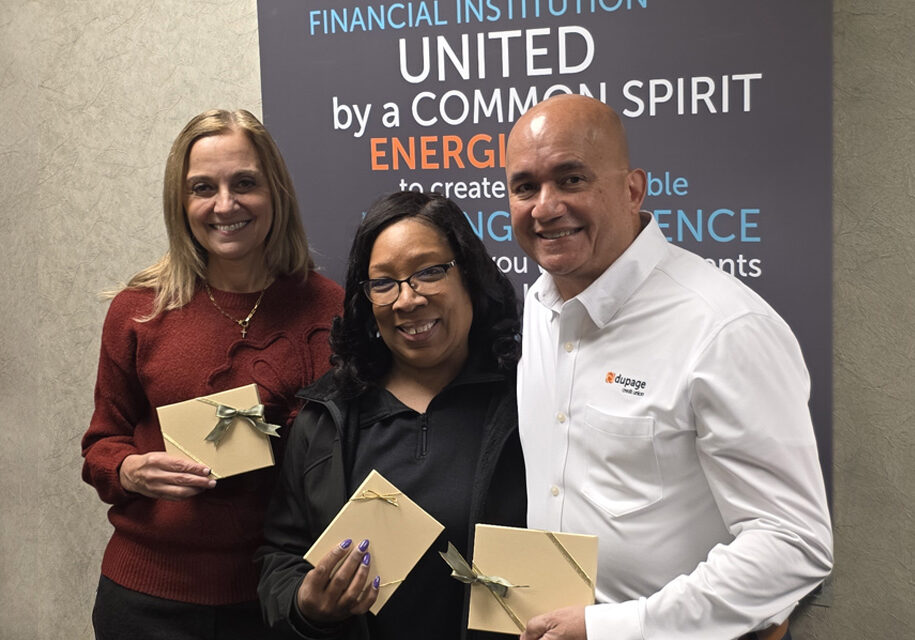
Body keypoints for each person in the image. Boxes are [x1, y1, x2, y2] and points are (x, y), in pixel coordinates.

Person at [504, 94, 833, 640]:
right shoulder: (541, 307)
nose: (545, 206)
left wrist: (614, 627)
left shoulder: (724, 326)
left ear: (632, 189)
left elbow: (793, 542)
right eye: (524, 186)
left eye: (571, 179)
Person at [81, 109, 343, 639]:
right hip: (147, 600)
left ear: (276, 193)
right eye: (204, 188)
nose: (225, 205)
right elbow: (101, 444)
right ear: (181, 204)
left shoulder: (330, 310)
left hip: (276, 599)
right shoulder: (139, 310)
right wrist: (129, 471)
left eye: (244, 183)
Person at [256, 191, 526, 639]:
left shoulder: (527, 402)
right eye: (384, 282)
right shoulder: (326, 418)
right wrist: (307, 603)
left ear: (470, 275)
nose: (407, 299)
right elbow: (279, 557)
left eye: (429, 272)